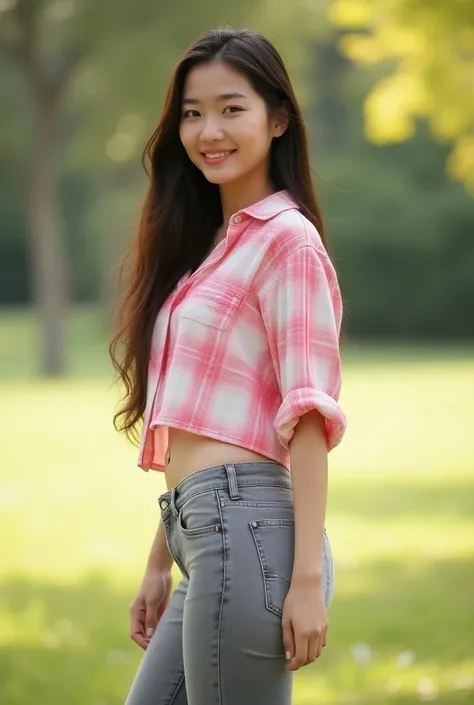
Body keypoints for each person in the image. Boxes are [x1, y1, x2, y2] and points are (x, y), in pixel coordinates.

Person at [110, 25, 347, 705]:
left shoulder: (287, 241)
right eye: (192, 112)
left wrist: (305, 581)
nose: (208, 129)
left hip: (252, 535)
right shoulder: (214, 250)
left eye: (230, 108)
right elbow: (197, 421)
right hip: (205, 533)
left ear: (277, 119)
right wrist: (159, 562)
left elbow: (307, 415)